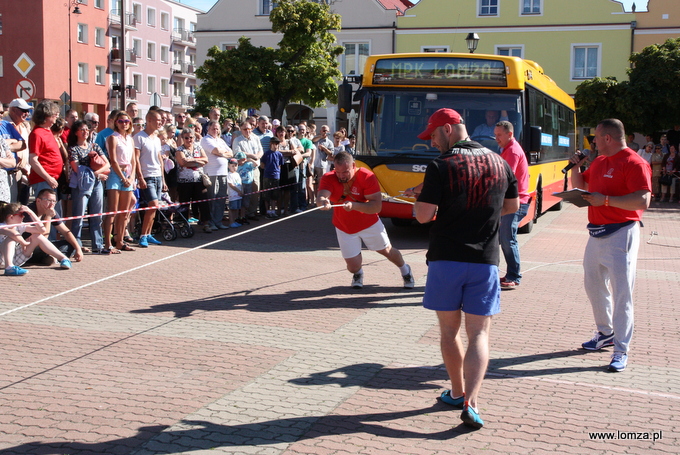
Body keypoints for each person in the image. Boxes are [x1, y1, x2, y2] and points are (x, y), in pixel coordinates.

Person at [412, 108, 518, 429]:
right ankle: (472, 401)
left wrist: (423, 198)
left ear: (448, 129)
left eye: (432, 135)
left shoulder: (441, 166)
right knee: (479, 334)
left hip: (446, 258)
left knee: (448, 331)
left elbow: (422, 215)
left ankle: (457, 392)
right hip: (484, 261)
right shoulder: (500, 162)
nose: (431, 143)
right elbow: (512, 207)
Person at [569, 118, 652, 373]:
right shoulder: (600, 161)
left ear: (608, 138)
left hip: (621, 234)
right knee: (593, 285)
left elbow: (642, 200)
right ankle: (605, 333)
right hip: (596, 234)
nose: (592, 142)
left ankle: (621, 349)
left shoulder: (634, 162)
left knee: (622, 293)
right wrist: (575, 166)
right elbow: (580, 185)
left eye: (595, 137)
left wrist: (604, 201)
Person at [317, 151, 415, 290]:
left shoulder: (367, 176)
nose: (341, 176)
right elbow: (321, 195)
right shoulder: (328, 177)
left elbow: (376, 206)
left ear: (353, 166)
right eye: (338, 172)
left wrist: (354, 206)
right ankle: (358, 273)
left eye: (345, 172)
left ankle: (405, 270)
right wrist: (323, 202)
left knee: (387, 251)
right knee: (352, 267)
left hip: (369, 224)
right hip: (344, 227)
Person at [494, 121, 530, 289]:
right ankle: (511, 274)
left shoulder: (512, 152)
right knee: (505, 238)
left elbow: (505, 178)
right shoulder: (507, 149)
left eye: (499, 135)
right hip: (514, 202)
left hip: (516, 202)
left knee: (508, 239)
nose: (496, 139)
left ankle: (514, 275)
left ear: (510, 134)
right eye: (495, 135)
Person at [67, 120, 109, 253]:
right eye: (82, 130)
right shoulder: (73, 149)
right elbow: (76, 169)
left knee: (97, 215)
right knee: (78, 216)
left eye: (87, 129)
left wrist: (96, 174)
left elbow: (107, 165)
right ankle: (76, 246)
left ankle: (98, 245)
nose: (85, 132)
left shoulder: (94, 146)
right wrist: (98, 174)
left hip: (96, 184)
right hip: (81, 185)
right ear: (76, 132)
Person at [0, 201, 73, 276]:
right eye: (21, 215)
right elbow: (13, 233)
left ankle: (64, 259)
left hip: (16, 257)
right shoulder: (2, 225)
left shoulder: (20, 225)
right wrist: (24, 243)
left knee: (37, 236)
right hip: (1, 259)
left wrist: (31, 213)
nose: (23, 216)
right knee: (11, 239)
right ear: (11, 217)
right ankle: (9, 268)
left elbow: (42, 230)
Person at [103, 112, 137, 253]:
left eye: (126, 121)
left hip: (128, 174)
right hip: (116, 175)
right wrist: (123, 178)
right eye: (121, 121)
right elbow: (113, 160)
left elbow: (134, 160)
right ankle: (107, 244)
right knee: (112, 211)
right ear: (116, 123)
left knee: (124, 211)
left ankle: (120, 241)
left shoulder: (130, 139)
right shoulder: (112, 138)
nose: (124, 123)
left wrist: (131, 177)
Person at [23, 189, 83, 264]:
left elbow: (66, 232)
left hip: (43, 247)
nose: (52, 204)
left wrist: (78, 249)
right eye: (49, 200)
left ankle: (51, 258)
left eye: (54, 201)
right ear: (38, 201)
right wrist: (48, 217)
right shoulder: (28, 213)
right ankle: (53, 257)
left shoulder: (51, 211)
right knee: (43, 248)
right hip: (28, 248)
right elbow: (43, 238)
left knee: (77, 242)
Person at [134, 109, 167, 247]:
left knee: (155, 207)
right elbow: (136, 159)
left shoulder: (156, 138)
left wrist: (163, 179)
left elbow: (160, 160)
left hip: (158, 176)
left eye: (161, 120)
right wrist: (140, 177)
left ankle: (148, 234)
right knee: (152, 205)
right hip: (147, 176)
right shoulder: (139, 137)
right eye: (157, 120)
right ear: (149, 120)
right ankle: (142, 235)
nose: (160, 122)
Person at [28, 101, 63, 207]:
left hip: (51, 180)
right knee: (48, 212)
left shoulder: (48, 131)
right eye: (54, 114)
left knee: (53, 214)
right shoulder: (37, 134)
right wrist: (48, 178)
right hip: (43, 180)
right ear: (46, 115)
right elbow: (33, 160)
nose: (57, 116)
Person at [175, 128, 211, 232]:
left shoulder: (198, 147)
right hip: (184, 181)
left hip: (199, 179)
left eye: (191, 137)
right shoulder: (179, 150)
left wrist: (192, 160)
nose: (189, 140)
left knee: (203, 202)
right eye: (186, 138)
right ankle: (184, 223)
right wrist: (198, 162)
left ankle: (206, 223)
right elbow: (182, 163)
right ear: (183, 138)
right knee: (185, 203)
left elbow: (205, 160)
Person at [200, 120, 232, 230]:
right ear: (208, 129)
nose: (216, 130)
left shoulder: (221, 140)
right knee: (212, 199)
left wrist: (221, 153)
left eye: (217, 128)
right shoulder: (205, 140)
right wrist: (222, 153)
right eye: (213, 128)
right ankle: (210, 222)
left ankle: (218, 221)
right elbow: (216, 150)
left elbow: (231, 153)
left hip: (223, 173)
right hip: (211, 173)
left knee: (221, 199)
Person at [232, 121, 264, 220]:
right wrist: (252, 156)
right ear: (241, 130)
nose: (247, 131)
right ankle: (242, 214)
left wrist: (257, 156)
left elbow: (260, 150)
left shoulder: (256, 138)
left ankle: (252, 212)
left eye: (249, 129)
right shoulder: (237, 140)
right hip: (243, 170)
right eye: (245, 129)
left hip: (254, 168)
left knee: (255, 191)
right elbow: (238, 154)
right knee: (243, 192)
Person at [261, 136, 284, 218]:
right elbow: (262, 164)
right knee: (266, 195)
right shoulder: (266, 153)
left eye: (277, 144)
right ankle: (268, 211)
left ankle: (273, 210)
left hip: (276, 176)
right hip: (267, 176)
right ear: (271, 144)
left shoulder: (279, 154)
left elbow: (280, 165)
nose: (275, 146)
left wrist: (277, 172)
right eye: (274, 144)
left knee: (275, 195)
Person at [235, 151, 259, 224]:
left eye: (241, 160)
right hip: (240, 185)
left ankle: (243, 216)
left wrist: (250, 160)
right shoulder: (237, 167)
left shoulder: (248, 164)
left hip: (248, 184)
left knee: (246, 202)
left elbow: (256, 164)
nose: (239, 162)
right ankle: (238, 217)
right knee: (239, 201)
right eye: (238, 160)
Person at [226, 158, 245, 228]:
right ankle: (231, 222)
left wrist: (242, 191)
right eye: (232, 166)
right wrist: (238, 191)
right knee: (232, 209)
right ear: (229, 166)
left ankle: (235, 221)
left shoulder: (237, 174)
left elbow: (240, 184)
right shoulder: (229, 175)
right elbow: (231, 185)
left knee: (237, 209)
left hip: (239, 195)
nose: (234, 167)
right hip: (233, 195)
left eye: (236, 166)